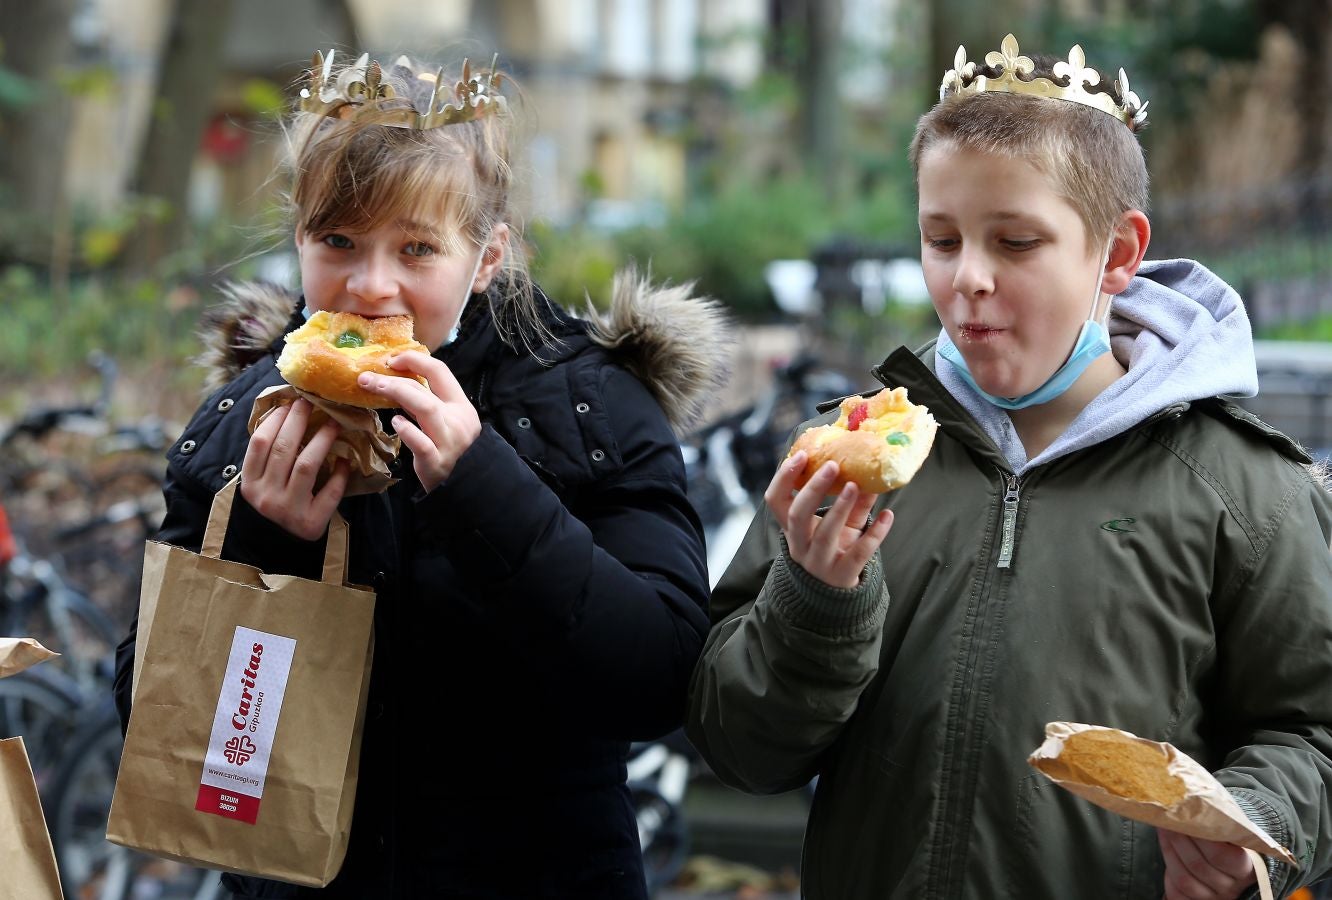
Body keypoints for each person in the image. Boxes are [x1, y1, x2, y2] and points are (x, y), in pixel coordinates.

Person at [686, 33, 1332, 899]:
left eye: (1017, 242)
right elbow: (739, 750)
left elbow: (1312, 734)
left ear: (1117, 253)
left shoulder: (1242, 489)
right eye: (940, 239)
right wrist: (816, 601)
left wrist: (1252, 823)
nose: (969, 279)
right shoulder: (846, 461)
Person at [113, 50, 729, 899]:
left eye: (417, 248)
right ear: (298, 238)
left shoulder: (592, 407)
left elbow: (659, 683)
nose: (372, 287)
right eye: (338, 241)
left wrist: (485, 490)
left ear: (487, 257)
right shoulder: (239, 425)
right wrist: (264, 548)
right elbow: (158, 729)